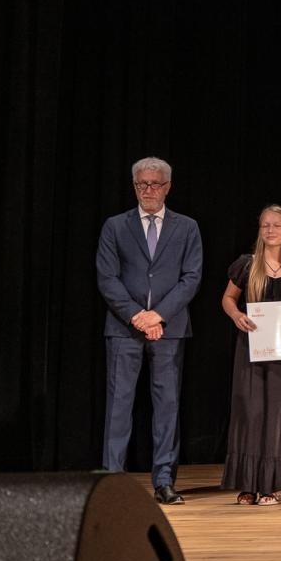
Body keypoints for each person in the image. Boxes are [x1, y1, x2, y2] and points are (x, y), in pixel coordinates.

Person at [96, 157, 202, 504]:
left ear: (168, 187)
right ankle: (112, 482)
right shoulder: (115, 226)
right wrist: (137, 316)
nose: (149, 190)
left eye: (155, 184)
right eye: (142, 184)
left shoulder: (186, 227)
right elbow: (107, 278)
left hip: (169, 330)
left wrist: (158, 316)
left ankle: (164, 481)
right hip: (124, 330)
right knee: (119, 406)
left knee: (167, 405)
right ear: (134, 186)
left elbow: (191, 279)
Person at [220, 206, 281, 505]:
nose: (270, 230)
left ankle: (269, 485)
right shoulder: (247, 265)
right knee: (251, 412)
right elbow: (228, 299)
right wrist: (236, 316)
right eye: (265, 226)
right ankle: (247, 484)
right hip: (251, 347)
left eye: (277, 226)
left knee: (276, 413)